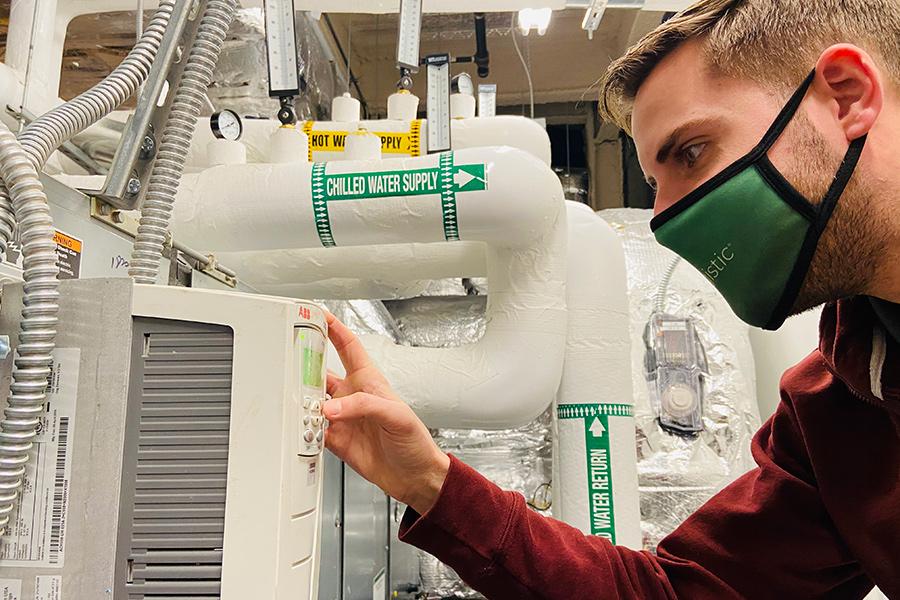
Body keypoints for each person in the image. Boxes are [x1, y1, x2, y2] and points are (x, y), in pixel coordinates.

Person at [322, 0, 900, 597]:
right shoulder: (842, 413)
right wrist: (429, 482)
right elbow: (669, 593)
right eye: (654, 182)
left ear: (848, 96)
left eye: (691, 152)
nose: (664, 215)